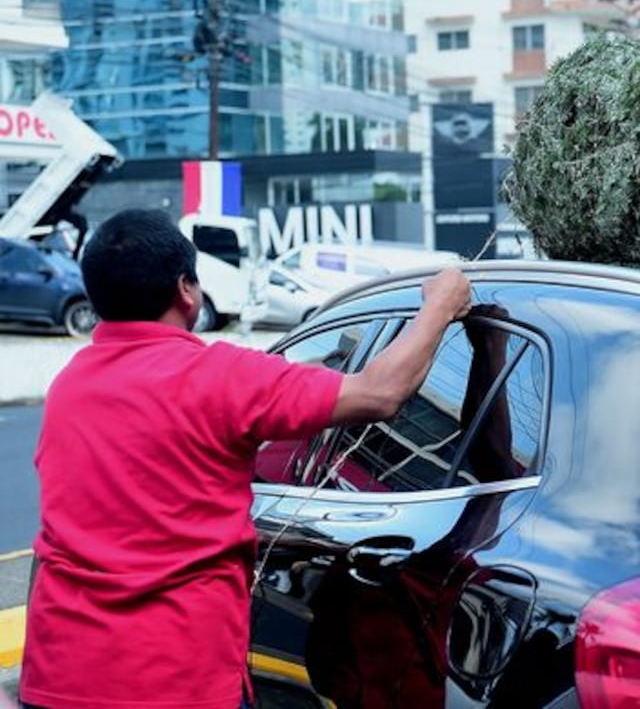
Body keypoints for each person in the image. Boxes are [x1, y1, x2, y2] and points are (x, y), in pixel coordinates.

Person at [18, 208, 471, 709]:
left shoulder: (70, 387)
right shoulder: (224, 376)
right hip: (175, 684)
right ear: (186, 289)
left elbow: (52, 536)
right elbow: (380, 393)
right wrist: (442, 305)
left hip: (57, 678)